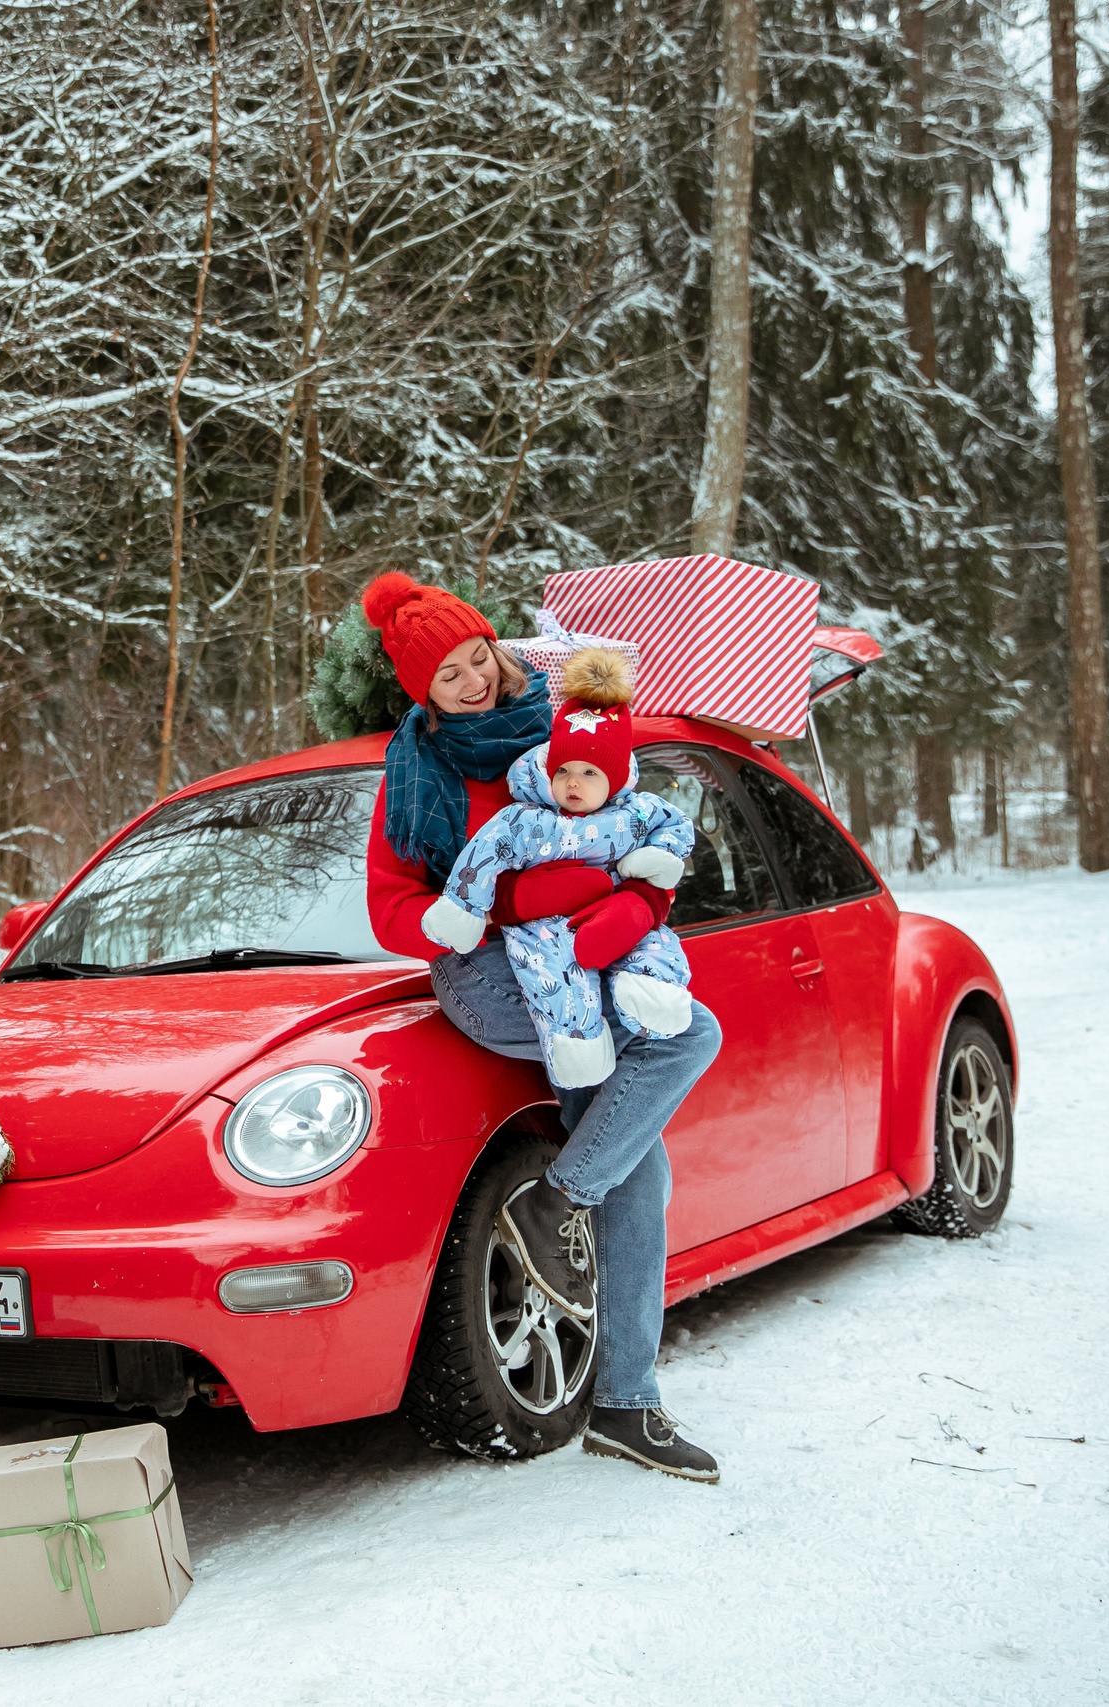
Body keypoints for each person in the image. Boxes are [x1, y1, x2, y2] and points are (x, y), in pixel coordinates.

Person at [359, 571, 727, 1483]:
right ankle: (576, 1217)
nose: (474, 681)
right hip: (492, 975)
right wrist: (506, 905)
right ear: (422, 693)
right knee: (688, 1038)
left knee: (640, 1162)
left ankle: (624, 1400)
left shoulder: (562, 727)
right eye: (447, 676)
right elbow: (392, 910)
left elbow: (639, 827)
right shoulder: (418, 773)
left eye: (477, 655)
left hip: (595, 961)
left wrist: (629, 900)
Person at [416, 645, 698, 1089]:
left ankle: (651, 992)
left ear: (615, 778)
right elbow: (487, 851)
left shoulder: (636, 813)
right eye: (563, 769)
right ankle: (577, 1043)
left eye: (590, 773)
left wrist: (652, 879)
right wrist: (471, 907)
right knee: (551, 971)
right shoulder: (529, 817)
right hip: (545, 925)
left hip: (616, 912)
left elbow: (676, 828)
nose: (572, 782)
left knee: (655, 946)